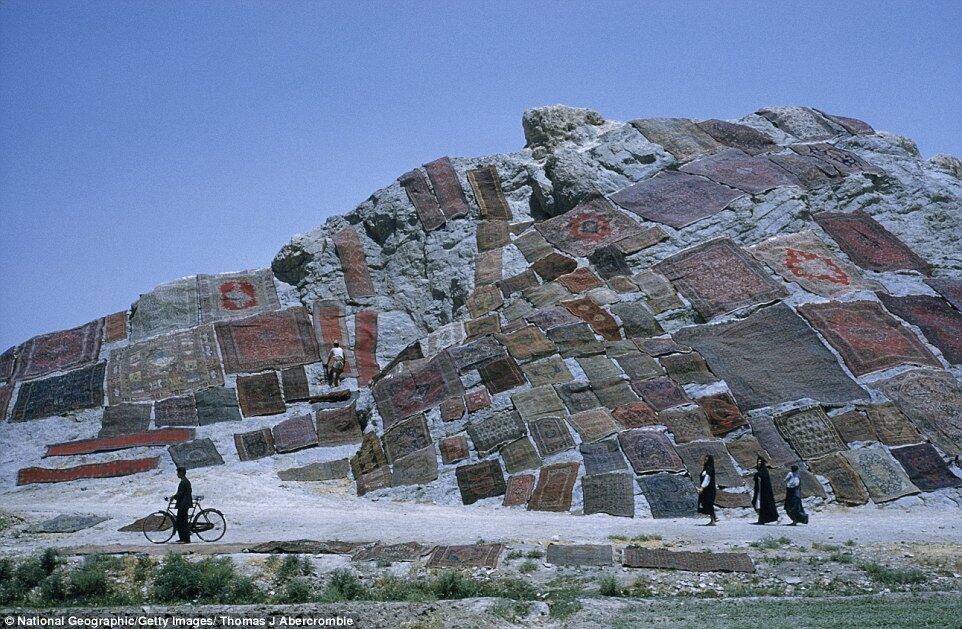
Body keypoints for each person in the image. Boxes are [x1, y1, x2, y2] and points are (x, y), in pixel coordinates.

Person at [167, 466, 192, 543]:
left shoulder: (184, 482)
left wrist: (174, 497)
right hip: (184, 504)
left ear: (181, 473)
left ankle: (185, 539)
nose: (177, 474)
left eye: (178, 473)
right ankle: (183, 538)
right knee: (181, 521)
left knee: (182, 522)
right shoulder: (185, 481)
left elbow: (181, 493)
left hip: (183, 504)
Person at [752, 457, 779, 525]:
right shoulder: (760, 470)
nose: (759, 463)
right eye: (758, 461)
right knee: (759, 505)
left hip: (765, 492)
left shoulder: (764, 471)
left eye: (760, 461)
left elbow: (763, 478)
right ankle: (762, 520)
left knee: (767, 505)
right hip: (760, 492)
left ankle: (774, 518)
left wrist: (757, 475)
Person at [696, 454, 717, 526]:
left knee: (709, 504)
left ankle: (713, 520)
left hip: (709, 490)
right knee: (705, 503)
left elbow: (707, 479)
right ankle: (713, 518)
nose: (705, 461)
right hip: (706, 490)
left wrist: (702, 487)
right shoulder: (705, 468)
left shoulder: (709, 468)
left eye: (706, 460)